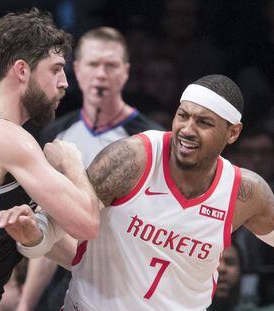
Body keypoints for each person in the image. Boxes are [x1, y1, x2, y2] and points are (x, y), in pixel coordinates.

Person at [0, 74, 274, 310]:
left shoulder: (244, 192)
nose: (186, 129)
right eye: (182, 115)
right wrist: (33, 237)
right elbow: (58, 224)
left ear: (232, 133)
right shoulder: (133, 158)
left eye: (204, 122)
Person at [16, 26, 164, 311]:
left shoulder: (152, 140)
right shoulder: (54, 134)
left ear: (126, 71)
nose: (101, 74)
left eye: (110, 65)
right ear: (77, 70)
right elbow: (44, 218)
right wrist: (25, 304)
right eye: (93, 64)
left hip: (125, 279)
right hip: (61, 272)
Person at [0, 8, 101, 310]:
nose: (64, 83)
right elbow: (86, 225)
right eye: (56, 69)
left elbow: (66, 249)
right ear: (22, 70)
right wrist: (71, 161)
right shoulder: (6, 138)